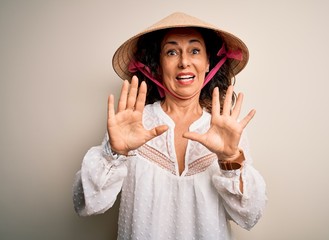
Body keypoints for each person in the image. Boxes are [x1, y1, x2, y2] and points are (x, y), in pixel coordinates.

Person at [73, 12, 267, 240]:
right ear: (157, 66)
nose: (184, 62)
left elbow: (250, 216)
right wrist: (114, 153)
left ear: (207, 63)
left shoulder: (226, 129)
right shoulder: (132, 122)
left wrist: (230, 158)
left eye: (195, 51)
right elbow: (87, 204)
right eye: (172, 52)